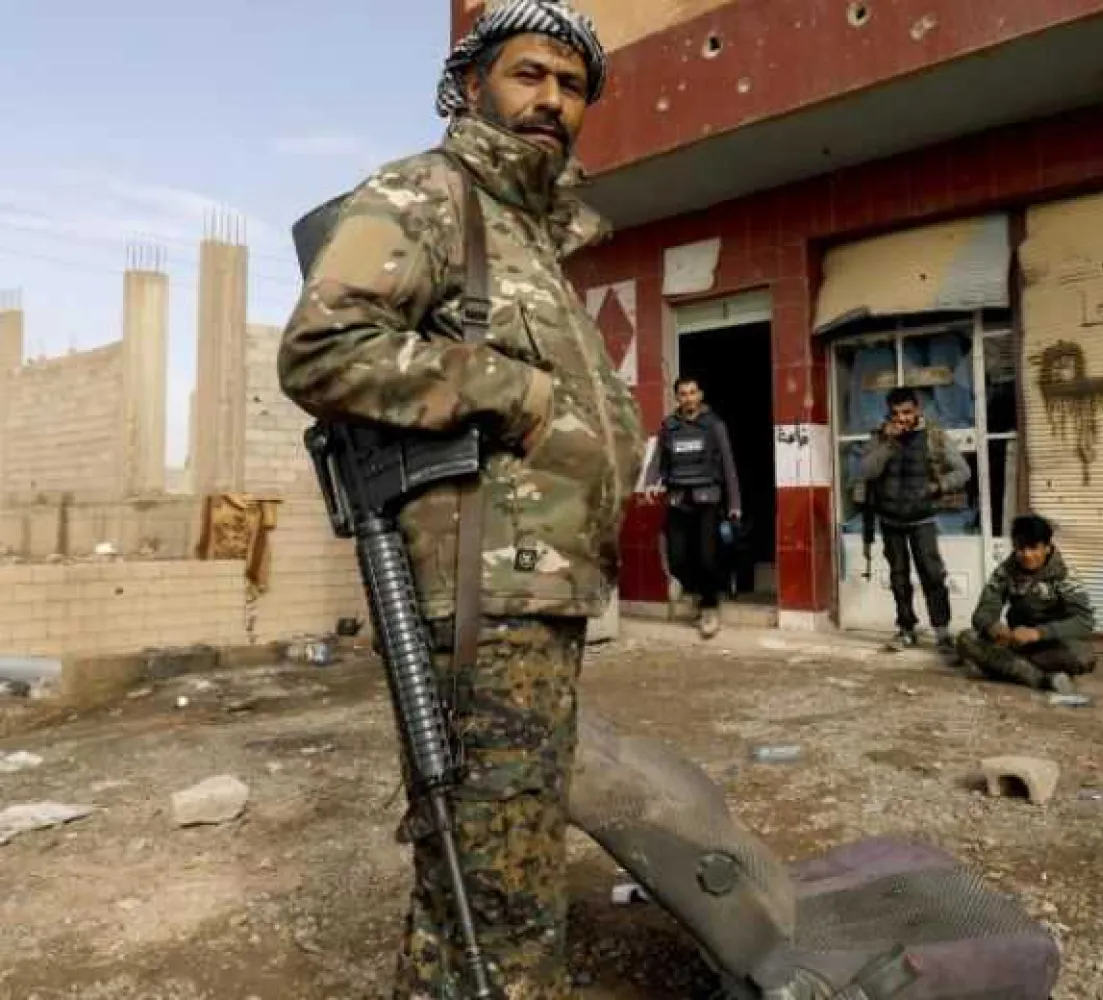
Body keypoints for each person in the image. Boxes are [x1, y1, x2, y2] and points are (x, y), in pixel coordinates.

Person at [277, 4, 642, 997]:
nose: (552, 102)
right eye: (531, 75)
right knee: (504, 892)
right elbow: (321, 348)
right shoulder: (432, 195)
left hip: (537, 598)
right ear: (474, 83)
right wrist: (512, 393)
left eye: (571, 88)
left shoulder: (529, 232)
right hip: (481, 603)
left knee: (481, 878)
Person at [856, 386, 971, 652]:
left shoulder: (934, 436)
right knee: (899, 577)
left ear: (917, 409)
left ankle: (942, 632)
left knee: (932, 575)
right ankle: (906, 628)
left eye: (907, 412)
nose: (902, 418)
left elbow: (963, 471)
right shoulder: (880, 438)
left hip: (922, 519)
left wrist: (937, 486)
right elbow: (867, 471)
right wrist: (889, 443)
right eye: (896, 413)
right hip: (890, 519)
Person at [643, 376, 742, 638]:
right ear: (677, 398)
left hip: (707, 498)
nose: (688, 398)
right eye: (682, 394)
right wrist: (650, 483)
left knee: (707, 558)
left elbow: (729, 464)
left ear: (700, 395)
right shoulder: (669, 426)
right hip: (677, 498)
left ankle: (709, 606)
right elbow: (657, 460)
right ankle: (702, 592)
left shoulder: (714, 425)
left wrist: (735, 503)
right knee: (677, 561)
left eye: (692, 392)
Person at [953, 514, 1097, 693]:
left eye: (1033, 548)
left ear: (1047, 547)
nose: (1027, 555)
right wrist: (992, 626)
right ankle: (1044, 678)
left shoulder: (1065, 574)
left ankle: (1010, 668)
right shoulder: (1005, 571)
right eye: (1021, 548)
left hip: (1053, 644)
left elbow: (1084, 622)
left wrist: (1039, 633)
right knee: (966, 639)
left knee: (1083, 655)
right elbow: (983, 611)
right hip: (1016, 643)